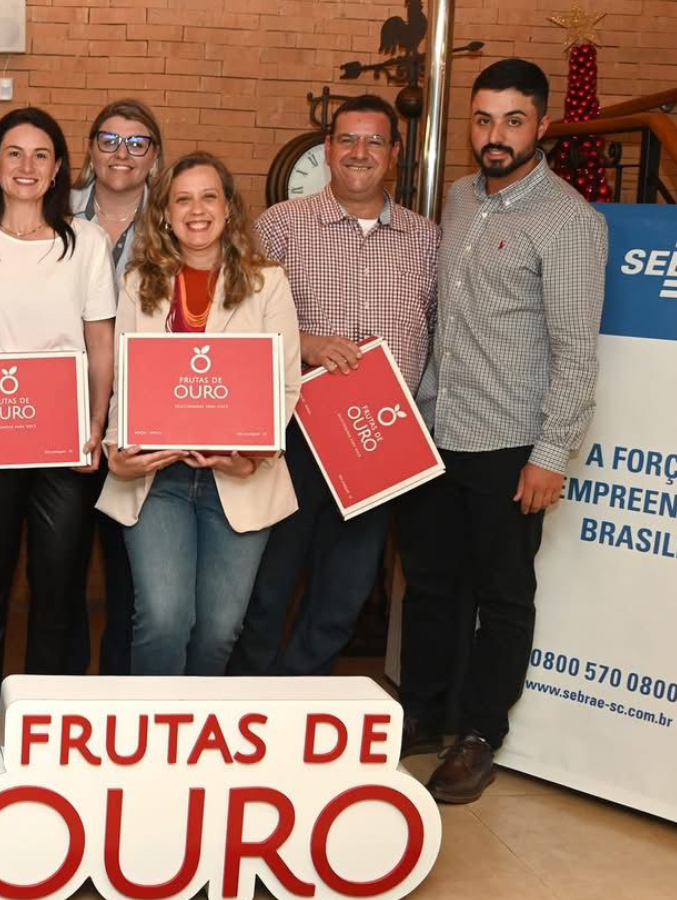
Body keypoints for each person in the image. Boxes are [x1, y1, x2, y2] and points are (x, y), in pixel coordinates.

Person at [398, 58, 607, 803]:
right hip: (437, 431)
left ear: (542, 125)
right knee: (429, 586)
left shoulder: (570, 222)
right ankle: (422, 713)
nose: (496, 135)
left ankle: (481, 734)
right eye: (484, 120)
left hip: (510, 443)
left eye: (513, 121)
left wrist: (550, 455)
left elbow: (577, 352)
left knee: (503, 595)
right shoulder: (459, 197)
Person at [228, 93, 439, 677]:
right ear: (328, 148)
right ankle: (249, 697)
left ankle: (303, 693)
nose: (359, 152)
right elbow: (240, 324)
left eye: (374, 141)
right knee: (269, 584)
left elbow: (438, 332)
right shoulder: (280, 226)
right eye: (347, 139)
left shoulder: (426, 239)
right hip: (296, 433)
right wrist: (307, 344)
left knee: (343, 591)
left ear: (394, 152)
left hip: (380, 442)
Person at [0, 107, 115, 752]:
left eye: (42, 154)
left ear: (59, 168)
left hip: (63, 441)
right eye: (14, 153)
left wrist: (96, 424)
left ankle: (41, 710)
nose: (27, 166)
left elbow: (100, 344)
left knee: (57, 584)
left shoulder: (85, 243)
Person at [96, 151, 302, 677]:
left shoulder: (267, 282)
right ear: (165, 214)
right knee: (163, 620)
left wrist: (252, 456)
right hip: (157, 476)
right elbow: (125, 379)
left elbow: (284, 385)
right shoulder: (138, 282)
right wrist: (116, 451)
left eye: (209, 197)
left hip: (238, 477)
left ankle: (192, 726)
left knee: (219, 628)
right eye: (182, 199)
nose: (197, 210)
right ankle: (151, 726)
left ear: (229, 208)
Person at [69, 98, 164, 677]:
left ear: (154, 155)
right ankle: (68, 684)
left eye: (136, 142)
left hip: (141, 412)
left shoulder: (176, 219)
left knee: (132, 565)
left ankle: (118, 686)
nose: (121, 153)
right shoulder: (56, 212)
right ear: (91, 149)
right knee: (65, 558)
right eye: (108, 140)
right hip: (64, 408)